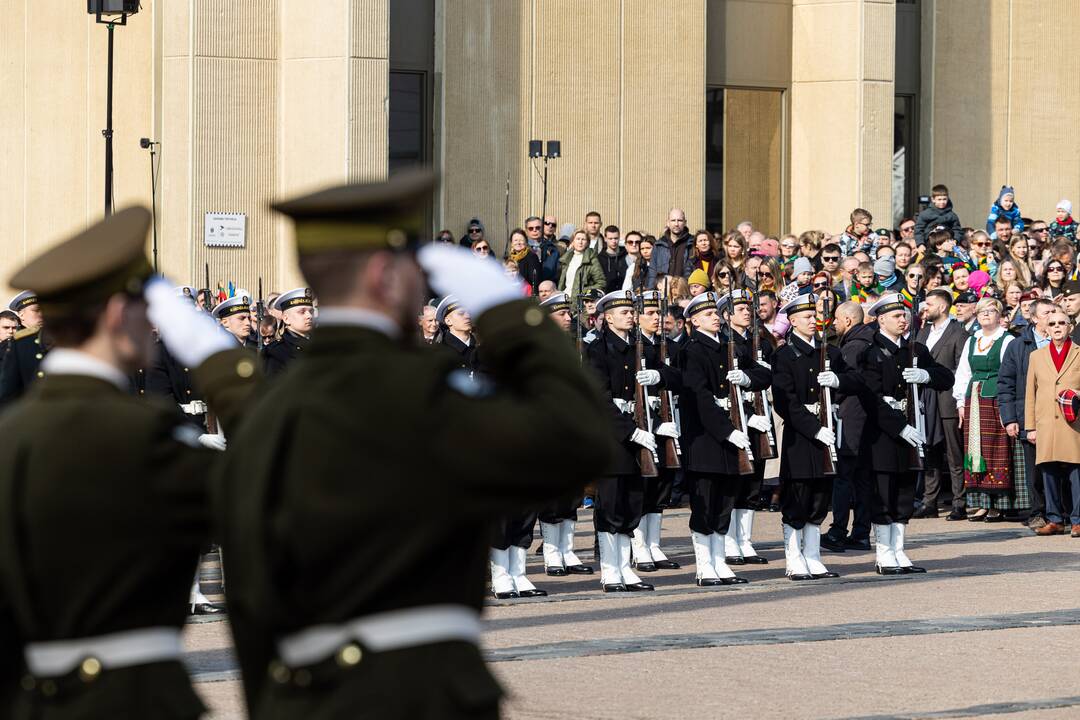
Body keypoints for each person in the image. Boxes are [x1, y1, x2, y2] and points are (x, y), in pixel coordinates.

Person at [218, 171, 610, 718]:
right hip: (422, 692)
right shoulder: (424, 392)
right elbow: (582, 439)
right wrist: (512, 314)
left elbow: (250, 594)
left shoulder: (261, 412)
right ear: (387, 274)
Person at [0, 207, 258, 719]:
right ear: (120, 314)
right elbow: (278, 476)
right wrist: (224, 363)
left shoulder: (9, 438)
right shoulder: (152, 440)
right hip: (139, 698)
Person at [679, 292, 770, 586]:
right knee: (705, 503)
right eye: (707, 315)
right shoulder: (692, 351)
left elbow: (763, 375)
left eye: (716, 314)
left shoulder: (729, 347)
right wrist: (728, 430)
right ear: (693, 320)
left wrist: (746, 379)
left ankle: (719, 563)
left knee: (725, 503)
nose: (715, 317)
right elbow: (701, 399)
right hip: (707, 439)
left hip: (732, 437)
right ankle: (705, 565)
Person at [861, 293, 954, 573]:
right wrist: (899, 427)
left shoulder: (915, 350)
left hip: (912, 429)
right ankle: (884, 553)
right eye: (896, 316)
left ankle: (899, 550)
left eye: (904, 315)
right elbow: (870, 398)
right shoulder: (871, 352)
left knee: (904, 492)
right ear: (880, 320)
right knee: (884, 492)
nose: (903, 320)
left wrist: (926, 376)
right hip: (884, 433)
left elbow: (946, 376)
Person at [772, 293, 862, 579]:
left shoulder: (831, 353)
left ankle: (812, 555)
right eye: (807, 317)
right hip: (801, 436)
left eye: (815, 316)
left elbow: (856, 381)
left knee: (819, 497)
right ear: (793, 321)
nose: (813, 321)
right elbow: (785, 401)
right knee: (797, 497)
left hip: (828, 430)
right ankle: (793, 557)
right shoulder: (784, 355)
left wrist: (838, 381)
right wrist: (814, 428)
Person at [586, 290, 666, 593]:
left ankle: (624, 567)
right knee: (610, 503)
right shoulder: (598, 350)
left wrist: (657, 376)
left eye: (632, 312)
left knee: (632, 501)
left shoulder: (640, 347)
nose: (631, 316)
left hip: (639, 428)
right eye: (624, 312)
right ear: (607, 317)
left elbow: (673, 375)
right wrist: (629, 431)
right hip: (613, 434)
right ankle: (609, 569)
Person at [536, 292, 594, 576]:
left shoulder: (577, 346)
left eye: (569, 313)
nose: (568, 318)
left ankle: (567, 550)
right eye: (561, 314)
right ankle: (551, 553)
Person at [953, 298, 1025, 522]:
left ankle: (999, 504)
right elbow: (963, 372)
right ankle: (982, 503)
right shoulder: (972, 339)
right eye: (982, 311)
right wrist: (960, 403)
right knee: (976, 449)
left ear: (1000, 315)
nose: (986, 314)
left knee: (997, 448)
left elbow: (1009, 373)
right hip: (973, 399)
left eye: (991, 310)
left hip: (996, 399)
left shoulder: (1007, 340)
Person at [719, 289, 775, 566]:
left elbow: (767, 376)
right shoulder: (724, 342)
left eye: (748, 308)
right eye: (740, 308)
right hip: (736, 420)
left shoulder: (760, 341)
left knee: (754, 483)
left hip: (758, 419)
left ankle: (745, 540)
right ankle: (730, 540)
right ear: (727, 314)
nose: (747, 312)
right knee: (736, 482)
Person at [629, 290, 683, 573]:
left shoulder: (668, 347)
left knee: (661, 485)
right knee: (643, 485)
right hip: (641, 425)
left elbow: (679, 377)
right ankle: (638, 547)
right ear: (637, 317)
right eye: (650, 313)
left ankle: (654, 544)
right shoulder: (633, 346)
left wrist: (660, 376)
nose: (657, 318)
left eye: (659, 313)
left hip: (665, 422)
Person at [998, 297, 1057, 530]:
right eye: (1046, 313)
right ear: (1033, 318)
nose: (1052, 316)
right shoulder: (1018, 344)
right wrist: (1010, 418)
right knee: (1034, 469)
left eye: (1054, 311)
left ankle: (1059, 513)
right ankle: (1037, 512)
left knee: (1061, 465)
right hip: (1029, 415)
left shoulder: (1065, 342)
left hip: (1060, 416)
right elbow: (1006, 383)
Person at [913, 290, 970, 520]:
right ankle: (930, 501)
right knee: (929, 450)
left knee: (953, 453)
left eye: (930, 304)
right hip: (926, 401)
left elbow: (962, 368)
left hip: (947, 399)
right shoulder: (923, 332)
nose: (925, 308)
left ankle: (960, 501)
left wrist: (935, 377)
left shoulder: (959, 333)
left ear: (943, 307)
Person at [823, 301, 876, 552]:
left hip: (852, 417)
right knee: (863, 477)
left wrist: (832, 401)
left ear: (847, 320)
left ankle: (838, 531)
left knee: (844, 477)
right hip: (865, 418)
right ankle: (862, 532)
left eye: (836, 319)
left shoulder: (853, 346)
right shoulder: (868, 340)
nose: (833, 323)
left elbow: (849, 382)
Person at [1025, 307, 1080, 536]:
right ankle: (1055, 519)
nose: (1057, 327)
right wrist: (1030, 426)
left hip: (1073, 422)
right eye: (1053, 324)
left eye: (1062, 323)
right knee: (1048, 472)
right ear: (1046, 329)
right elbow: (1030, 393)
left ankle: (1077, 519)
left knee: (1076, 472)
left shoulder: (1079, 352)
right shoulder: (1036, 356)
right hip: (1045, 421)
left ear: (1070, 327)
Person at [0, 291, 49, 407]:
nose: (42, 314)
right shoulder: (13, 345)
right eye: (36, 310)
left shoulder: (60, 337)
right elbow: (7, 392)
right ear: (21, 315)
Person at [262, 287, 314, 376]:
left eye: (311, 311)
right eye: (302, 312)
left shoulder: (321, 344)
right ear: (286, 319)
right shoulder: (276, 352)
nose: (309, 316)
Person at [557, 229, 606, 298]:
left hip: (581, 301)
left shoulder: (592, 259)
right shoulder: (565, 259)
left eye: (583, 239)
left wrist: (584, 291)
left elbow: (601, 282)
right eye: (578, 239)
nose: (580, 242)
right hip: (565, 300)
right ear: (573, 241)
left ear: (587, 243)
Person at [652, 208, 692, 280]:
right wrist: (651, 289)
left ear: (685, 222)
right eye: (673, 220)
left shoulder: (692, 243)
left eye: (680, 220)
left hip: (685, 289)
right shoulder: (659, 245)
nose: (676, 224)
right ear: (668, 223)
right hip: (663, 288)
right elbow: (652, 270)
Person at [505, 228, 541, 294]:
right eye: (515, 240)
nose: (518, 243)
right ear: (512, 243)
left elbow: (535, 280)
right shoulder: (508, 258)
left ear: (526, 242)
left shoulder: (531, 257)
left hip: (526, 294)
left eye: (521, 240)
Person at [598, 225, 627, 292]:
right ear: (605, 239)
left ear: (619, 237)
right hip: (606, 293)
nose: (613, 241)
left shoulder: (626, 255)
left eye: (616, 238)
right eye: (610, 238)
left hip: (623, 293)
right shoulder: (599, 258)